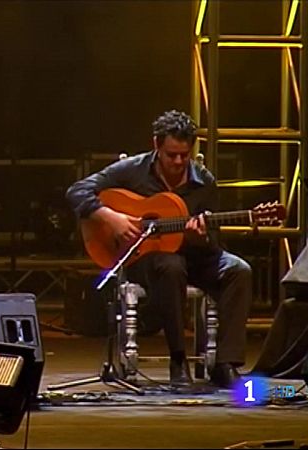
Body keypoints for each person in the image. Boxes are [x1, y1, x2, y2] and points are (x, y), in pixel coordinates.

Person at [65, 110, 252, 388]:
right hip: (147, 259)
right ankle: (178, 359)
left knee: (239, 269)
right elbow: (77, 191)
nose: (178, 162)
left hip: (196, 255)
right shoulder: (133, 170)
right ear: (156, 145)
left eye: (184, 155)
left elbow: (213, 241)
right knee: (170, 265)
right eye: (171, 155)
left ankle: (226, 363)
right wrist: (111, 217)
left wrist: (199, 236)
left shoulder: (204, 182)